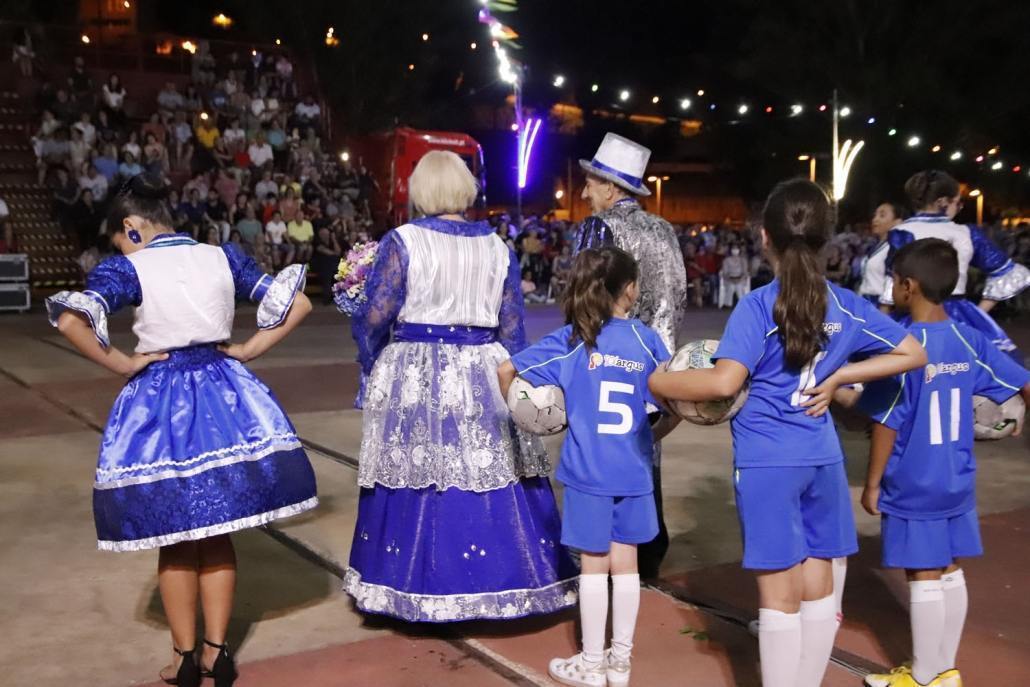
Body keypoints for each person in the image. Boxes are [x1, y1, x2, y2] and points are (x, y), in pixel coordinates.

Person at [648, 179, 926, 687]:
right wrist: (842, 375)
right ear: (827, 239)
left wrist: (657, 380)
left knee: (778, 598)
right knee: (819, 589)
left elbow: (724, 381)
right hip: (822, 457)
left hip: (768, 462)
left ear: (763, 237)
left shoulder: (759, 306)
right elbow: (913, 353)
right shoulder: (845, 305)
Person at [45, 174, 317, 687]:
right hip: (225, 395)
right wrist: (248, 350)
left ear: (131, 226)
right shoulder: (222, 256)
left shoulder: (127, 267)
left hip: (161, 402)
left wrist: (125, 364)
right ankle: (218, 653)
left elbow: (70, 321)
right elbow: (296, 303)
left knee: (174, 537)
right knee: (217, 533)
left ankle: (184, 659)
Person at [344, 150, 576, 622]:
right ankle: (514, 582)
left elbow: (374, 316)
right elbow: (513, 327)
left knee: (416, 469)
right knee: (492, 467)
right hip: (483, 365)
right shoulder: (497, 246)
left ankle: (411, 587)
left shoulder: (402, 241)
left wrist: (370, 360)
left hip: (417, 367)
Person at [851, 239, 1030, 687]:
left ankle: (926, 676)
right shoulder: (971, 340)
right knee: (950, 568)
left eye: (894, 281)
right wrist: (1014, 417)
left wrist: (873, 483)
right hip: (957, 476)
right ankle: (943, 668)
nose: (892, 288)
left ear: (909, 286)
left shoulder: (903, 348)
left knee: (922, 573)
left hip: (915, 478)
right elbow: (1021, 384)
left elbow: (887, 422)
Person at [499, 247, 677, 687]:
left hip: (587, 473)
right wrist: (648, 437)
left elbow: (507, 371)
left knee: (594, 568)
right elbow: (674, 403)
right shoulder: (645, 340)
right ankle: (621, 664)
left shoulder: (573, 341)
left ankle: (592, 665)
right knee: (628, 565)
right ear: (630, 290)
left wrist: (536, 415)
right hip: (633, 472)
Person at [575, 132, 687, 578]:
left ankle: (605, 548)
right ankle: (649, 543)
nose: (584, 192)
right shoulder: (664, 229)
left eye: (590, 183)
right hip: (657, 357)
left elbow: (584, 295)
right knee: (645, 448)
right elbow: (677, 294)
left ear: (611, 187)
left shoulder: (601, 229)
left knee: (601, 449)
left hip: (610, 352)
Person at [883, 170, 1030, 363]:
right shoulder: (966, 232)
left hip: (916, 314)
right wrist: (979, 312)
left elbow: (893, 282)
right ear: (943, 201)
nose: (958, 208)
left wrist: (884, 320)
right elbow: (1010, 274)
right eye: (958, 202)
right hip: (962, 314)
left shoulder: (902, 232)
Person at [859, 202, 907, 307]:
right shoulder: (875, 246)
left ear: (897, 222)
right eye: (875, 215)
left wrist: (885, 308)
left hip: (879, 305)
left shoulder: (894, 248)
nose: (875, 219)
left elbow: (892, 281)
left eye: (882, 215)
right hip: (865, 302)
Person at [311, 226, 341, 304]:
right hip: (319, 265)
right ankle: (327, 298)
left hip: (331, 266)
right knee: (328, 272)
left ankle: (335, 297)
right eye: (323, 234)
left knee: (335, 272)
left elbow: (338, 251)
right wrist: (335, 254)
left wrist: (334, 240)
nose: (325, 236)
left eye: (326, 234)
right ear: (320, 235)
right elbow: (326, 252)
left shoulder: (332, 241)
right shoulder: (316, 242)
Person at [718, 242, 750, 308]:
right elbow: (725, 272)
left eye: (736, 249)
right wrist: (730, 279)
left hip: (740, 279)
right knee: (731, 286)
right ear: (731, 250)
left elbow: (745, 272)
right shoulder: (726, 260)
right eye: (733, 249)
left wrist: (739, 279)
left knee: (738, 286)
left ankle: (742, 304)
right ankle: (728, 304)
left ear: (739, 250)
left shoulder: (743, 260)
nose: (735, 250)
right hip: (729, 279)